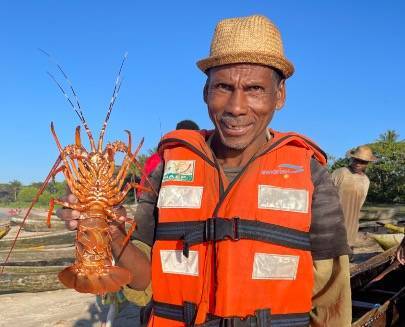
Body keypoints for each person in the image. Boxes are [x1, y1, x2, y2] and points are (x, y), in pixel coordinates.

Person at [58, 15, 351, 326]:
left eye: (254, 89)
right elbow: (142, 280)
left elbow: (332, 299)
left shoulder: (310, 173)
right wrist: (111, 231)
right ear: (205, 91)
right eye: (223, 87)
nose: (236, 107)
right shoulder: (169, 168)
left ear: (279, 96)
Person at [331, 145, 377, 249]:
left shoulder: (366, 181)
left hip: (351, 223)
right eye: (356, 160)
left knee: (347, 253)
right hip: (333, 220)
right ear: (352, 158)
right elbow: (325, 195)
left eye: (363, 162)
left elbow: (360, 203)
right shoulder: (340, 173)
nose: (358, 164)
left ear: (367, 164)